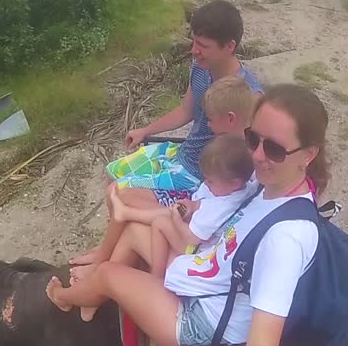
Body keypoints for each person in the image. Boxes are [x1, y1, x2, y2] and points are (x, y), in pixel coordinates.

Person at [46, 83, 330, 346]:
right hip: (209, 275)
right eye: (252, 138)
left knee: (108, 274)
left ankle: (69, 298)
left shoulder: (286, 238)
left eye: (273, 148)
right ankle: (101, 298)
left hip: (205, 326)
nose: (257, 156)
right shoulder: (269, 185)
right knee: (134, 229)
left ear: (308, 155)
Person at [70, 0, 262, 269]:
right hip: (181, 155)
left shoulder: (247, 96)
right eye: (193, 41)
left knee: (120, 191)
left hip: (200, 178)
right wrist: (145, 130)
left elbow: (251, 160)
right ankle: (116, 244)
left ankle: (107, 256)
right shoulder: (200, 69)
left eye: (203, 46)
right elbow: (186, 110)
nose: (194, 51)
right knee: (114, 170)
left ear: (229, 46)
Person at [71, 72, 259, 281]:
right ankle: (104, 261)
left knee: (124, 196)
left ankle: (103, 267)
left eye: (211, 120)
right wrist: (193, 205)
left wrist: (190, 210)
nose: (207, 125)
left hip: (196, 215)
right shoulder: (235, 147)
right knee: (120, 192)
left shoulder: (240, 159)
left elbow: (222, 201)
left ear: (231, 119)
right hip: (196, 201)